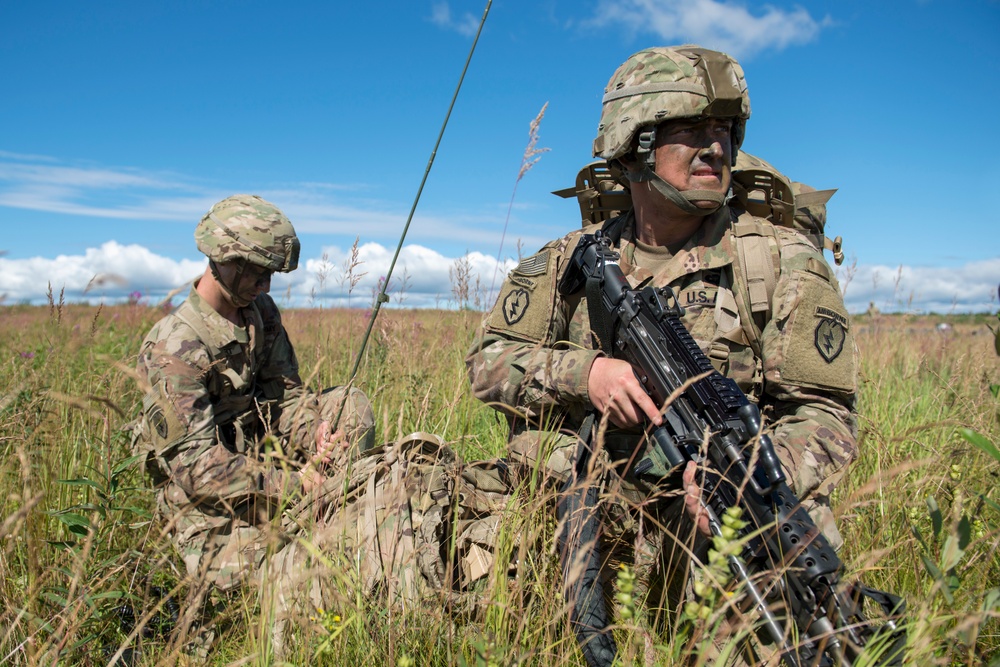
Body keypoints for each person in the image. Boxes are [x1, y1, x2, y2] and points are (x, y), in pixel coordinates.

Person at [466, 45, 858, 662]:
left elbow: (827, 416)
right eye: (690, 131)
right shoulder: (570, 256)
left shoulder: (781, 261)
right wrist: (586, 374)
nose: (715, 147)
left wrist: (751, 466)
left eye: (724, 130)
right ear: (633, 145)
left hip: (711, 512)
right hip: (587, 502)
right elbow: (486, 363)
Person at [131, 194, 376, 655]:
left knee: (349, 406)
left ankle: (338, 504)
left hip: (266, 461)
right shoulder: (174, 347)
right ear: (222, 261)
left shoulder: (260, 315)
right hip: (203, 502)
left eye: (271, 275)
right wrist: (296, 484)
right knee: (295, 574)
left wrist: (315, 432)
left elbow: (284, 396)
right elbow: (199, 469)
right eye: (257, 272)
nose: (265, 285)